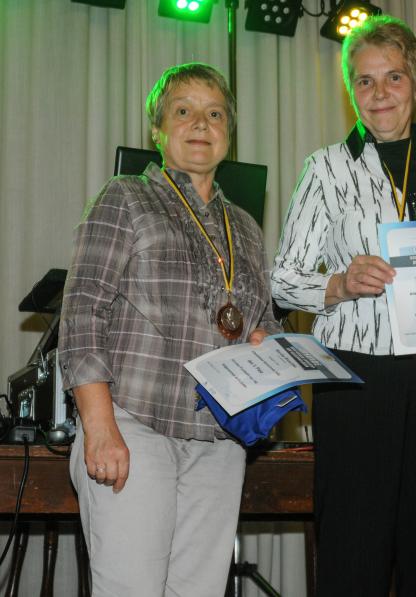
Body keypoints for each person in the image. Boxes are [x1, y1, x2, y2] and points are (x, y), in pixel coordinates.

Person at [271, 15, 416, 597]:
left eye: (393, 77)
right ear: (350, 90)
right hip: (359, 377)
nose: (379, 94)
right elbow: (283, 282)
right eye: (364, 81)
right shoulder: (325, 168)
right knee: (353, 556)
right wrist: (341, 284)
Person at [58, 62, 281, 596]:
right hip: (134, 427)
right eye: (183, 111)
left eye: (215, 114)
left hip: (220, 443)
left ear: (229, 132)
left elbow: (263, 321)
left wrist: (266, 342)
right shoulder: (124, 196)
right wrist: (100, 427)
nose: (201, 124)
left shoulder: (246, 227)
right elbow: (83, 311)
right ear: (157, 129)